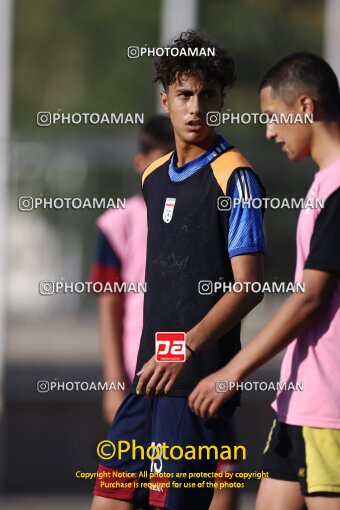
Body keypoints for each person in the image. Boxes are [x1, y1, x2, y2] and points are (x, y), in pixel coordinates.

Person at [91, 29, 265, 510]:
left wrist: (184, 348)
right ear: (165, 99)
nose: (196, 107)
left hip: (193, 386)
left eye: (208, 95)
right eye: (185, 94)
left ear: (222, 100)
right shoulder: (152, 176)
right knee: (108, 500)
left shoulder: (236, 176)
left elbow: (249, 287)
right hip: (147, 380)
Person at [189, 52, 340, 510]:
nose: (269, 132)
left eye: (273, 117)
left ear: (306, 108)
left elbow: (310, 299)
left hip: (328, 411)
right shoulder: (321, 184)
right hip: (297, 402)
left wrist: (231, 372)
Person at [91, 115, 175, 423]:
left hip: (190, 371)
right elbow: (108, 302)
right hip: (136, 375)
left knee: (201, 469)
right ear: (140, 162)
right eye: (158, 165)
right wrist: (114, 383)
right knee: (124, 468)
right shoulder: (117, 223)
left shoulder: (199, 215)